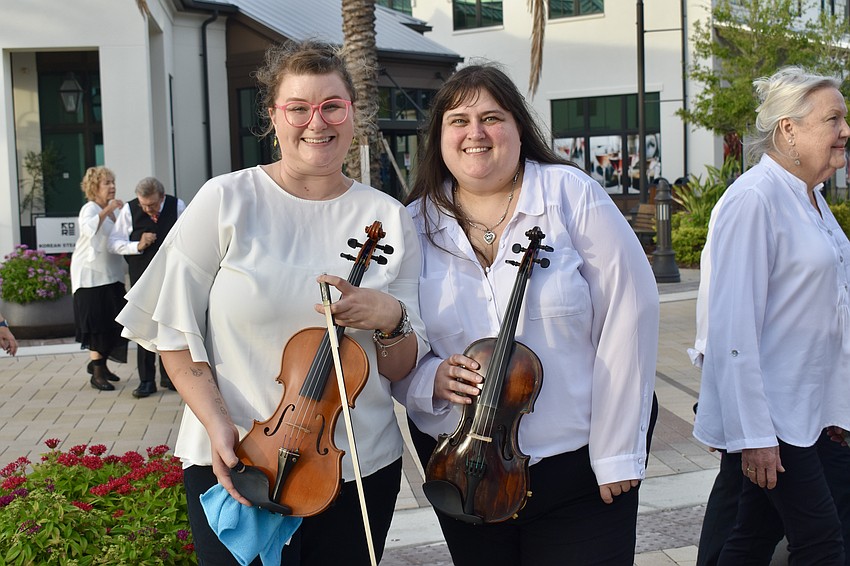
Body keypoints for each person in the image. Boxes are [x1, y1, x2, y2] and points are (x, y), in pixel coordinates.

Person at [116, 39, 426, 566]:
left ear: (353, 116)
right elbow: (172, 331)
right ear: (273, 117)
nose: (316, 122)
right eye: (298, 108)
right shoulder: (225, 199)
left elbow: (401, 370)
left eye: (332, 106)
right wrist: (218, 426)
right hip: (237, 458)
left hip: (355, 465)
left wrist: (391, 318)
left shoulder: (390, 216)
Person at [393, 64, 659, 565]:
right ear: (439, 137)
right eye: (459, 120)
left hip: (577, 466)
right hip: (465, 469)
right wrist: (430, 377)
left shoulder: (569, 194)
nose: (476, 133)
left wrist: (619, 448)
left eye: (492, 117)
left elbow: (632, 313)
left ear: (518, 128)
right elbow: (396, 338)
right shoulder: (412, 224)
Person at [693, 66, 850, 565]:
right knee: (823, 545)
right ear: (789, 129)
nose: (845, 130)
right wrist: (754, 437)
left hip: (811, 413)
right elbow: (733, 329)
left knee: (752, 538)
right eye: (834, 119)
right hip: (776, 418)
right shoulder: (754, 199)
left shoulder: (811, 200)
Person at [108, 176, 185, 398]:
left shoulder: (177, 205)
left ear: (161, 197)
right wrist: (137, 245)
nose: (147, 208)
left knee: (170, 324)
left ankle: (169, 377)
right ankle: (146, 380)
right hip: (141, 275)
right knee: (143, 324)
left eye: (151, 204)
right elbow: (114, 243)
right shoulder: (130, 210)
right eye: (143, 204)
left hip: (170, 274)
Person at [71, 166, 128, 391]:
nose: (112, 186)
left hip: (111, 275)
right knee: (97, 325)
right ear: (95, 187)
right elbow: (88, 229)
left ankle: (101, 366)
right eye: (107, 183)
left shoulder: (109, 210)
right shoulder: (90, 208)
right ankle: (97, 374)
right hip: (91, 278)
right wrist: (107, 211)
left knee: (113, 323)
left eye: (113, 182)